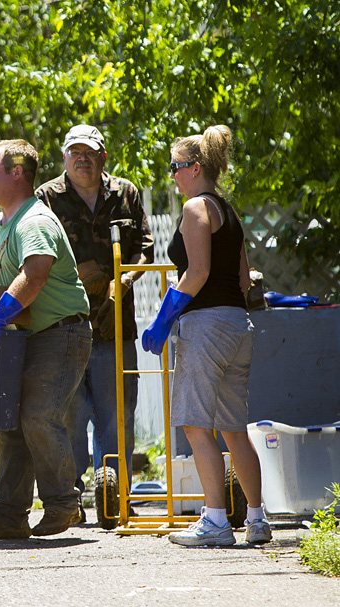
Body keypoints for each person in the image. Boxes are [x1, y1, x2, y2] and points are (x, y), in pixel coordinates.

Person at [141, 125, 271, 546]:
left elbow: (196, 272)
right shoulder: (229, 212)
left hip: (207, 327)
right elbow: (242, 276)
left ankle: (215, 521)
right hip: (238, 325)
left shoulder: (196, 208)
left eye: (175, 167)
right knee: (234, 428)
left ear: (195, 168)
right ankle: (256, 520)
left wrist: (164, 319)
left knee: (195, 425)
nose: (172, 176)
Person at [0, 139, 92, 539]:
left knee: (38, 416)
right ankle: (9, 517)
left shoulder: (34, 220)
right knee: (10, 423)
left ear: (17, 172)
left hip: (60, 333)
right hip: (24, 338)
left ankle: (64, 506)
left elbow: (34, 273)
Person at [35, 124, 154, 520]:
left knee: (117, 415)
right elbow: (34, 256)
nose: (82, 158)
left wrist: (125, 280)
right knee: (71, 415)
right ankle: (70, 500)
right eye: (75, 152)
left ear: (104, 156)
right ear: (64, 157)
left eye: (90, 152)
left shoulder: (126, 193)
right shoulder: (46, 198)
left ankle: (114, 500)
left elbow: (145, 250)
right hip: (65, 327)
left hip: (115, 325)